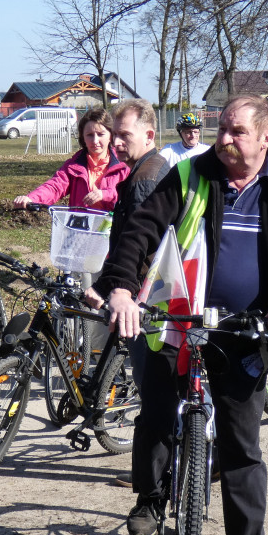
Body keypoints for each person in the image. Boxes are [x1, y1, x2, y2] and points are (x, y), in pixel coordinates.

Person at [93, 94, 268, 535]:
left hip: (247, 329)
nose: (223, 139)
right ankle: (152, 499)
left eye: (236, 132)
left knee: (242, 444)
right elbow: (140, 231)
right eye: (221, 129)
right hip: (176, 316)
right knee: (158, 413)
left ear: (267, 137)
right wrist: (119, 286)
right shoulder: (190, 173)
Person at [84, 98, 170, 489]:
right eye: (113, 134)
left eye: (124, 135)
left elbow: (139, 248)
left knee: (153, 397)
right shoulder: (145, 170)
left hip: (143, 299)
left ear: (149, 135)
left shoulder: (146, 178)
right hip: (139, 291)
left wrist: (118, 291)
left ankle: (155, 481)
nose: (116, 142)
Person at [13, 107, 129, 211]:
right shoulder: (73, 166)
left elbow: (131, 195)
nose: (95, 141)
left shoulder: (124, 165)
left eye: (100, 134)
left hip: (114, 231)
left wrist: (105, 194)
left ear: (111, 135)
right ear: (82, 137)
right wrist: (31, 198)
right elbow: (54, 186)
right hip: (79, 230)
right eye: (89, 135)